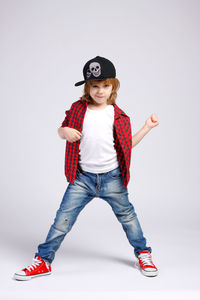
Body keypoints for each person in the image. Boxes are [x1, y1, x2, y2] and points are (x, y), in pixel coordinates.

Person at [13, 56, 159, 281]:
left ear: (113, 86)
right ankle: (43, 260)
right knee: (63, 219)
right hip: (82, 179)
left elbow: (127, 144)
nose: (100, 91)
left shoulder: (117, 115)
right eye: (95, 86)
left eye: (106, 85)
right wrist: (65, 132)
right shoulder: (78, 109)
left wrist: (146, 128)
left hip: (112, 178)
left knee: (128, 217)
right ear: (87, 87)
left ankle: (142, 252)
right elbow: (62, 130)